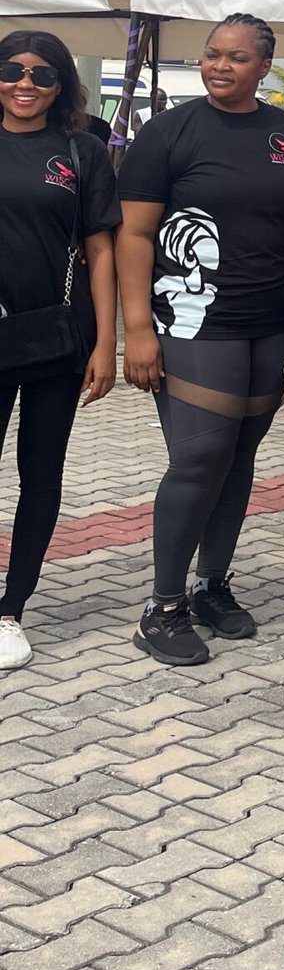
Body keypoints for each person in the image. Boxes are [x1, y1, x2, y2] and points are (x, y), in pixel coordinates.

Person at [117, 15, 284, 665]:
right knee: (200, 456)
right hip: (192, 320)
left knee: (238, 456)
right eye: (211, 54)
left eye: (236, 57)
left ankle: (210, 586)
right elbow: (134, 234)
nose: (219, 66)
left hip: (271, 322)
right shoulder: (168, 133)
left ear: (265, 66)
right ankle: (162, 607)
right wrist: (136, 330)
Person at [0, 35, 119, 670]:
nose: (25, 84)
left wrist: (107, 343)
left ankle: (11, 608)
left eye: (42, 75)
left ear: (61, 83)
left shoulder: (82, 150)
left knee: (40, 474)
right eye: (11, 71)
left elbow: (101, 250)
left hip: (57, 337)